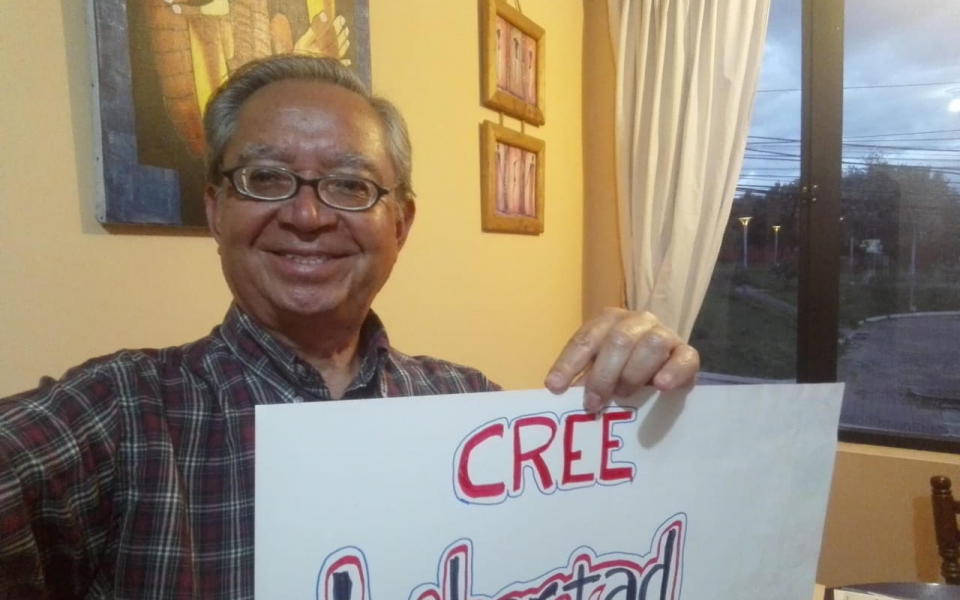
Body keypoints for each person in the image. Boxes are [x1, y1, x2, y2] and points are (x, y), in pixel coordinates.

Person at [0, 54, 699, 599]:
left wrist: (645, 417)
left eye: (350, 185)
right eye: (266, 178)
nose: (308, 217)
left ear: (401, 222)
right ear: (216, 211)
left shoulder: (469, 404)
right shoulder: (120, 412)